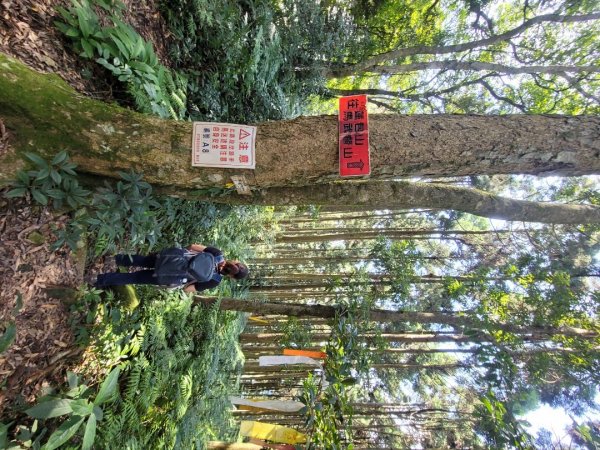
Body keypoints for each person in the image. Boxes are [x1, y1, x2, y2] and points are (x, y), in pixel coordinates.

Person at [92, 244, 249, 292]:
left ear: (235, 262)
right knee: (134, 278)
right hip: (170, 275)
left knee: (144, 260)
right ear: (232, 277)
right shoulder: (214, 281)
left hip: (170, 259)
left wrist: (183, 255)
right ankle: (98, 279)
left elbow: (193, 246)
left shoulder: (217, 253)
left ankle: (115, 259)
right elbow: (188, 289)